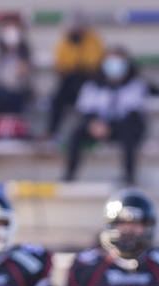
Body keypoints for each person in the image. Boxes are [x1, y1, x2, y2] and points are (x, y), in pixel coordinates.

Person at [62, 47, 148, 185]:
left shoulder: (135, 85)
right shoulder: (92, 85)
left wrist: (110, 127)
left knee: (129, 134)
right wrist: (94, 124)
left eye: (119, 63)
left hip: (122, 126)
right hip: (96, 125)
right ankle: (69, 174)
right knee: (76, 133)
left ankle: (129, 176)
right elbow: (85, 110)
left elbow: (134, 112)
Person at [47, 13, 104, 138]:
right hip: (69, 81)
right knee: (57, 99)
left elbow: (92, 64)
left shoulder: (92, 40)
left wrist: (77, 60)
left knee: (89, 99)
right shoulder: (64, 42)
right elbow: (61, 64)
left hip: (87, 81)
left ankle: (91, 132)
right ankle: (51, 133)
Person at [0, 17, 34, 115]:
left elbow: (30, 76)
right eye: (8, 29)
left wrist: (24, 71)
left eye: (15, 29)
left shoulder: (25, 50)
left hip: (20, 92)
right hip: (1, 91)